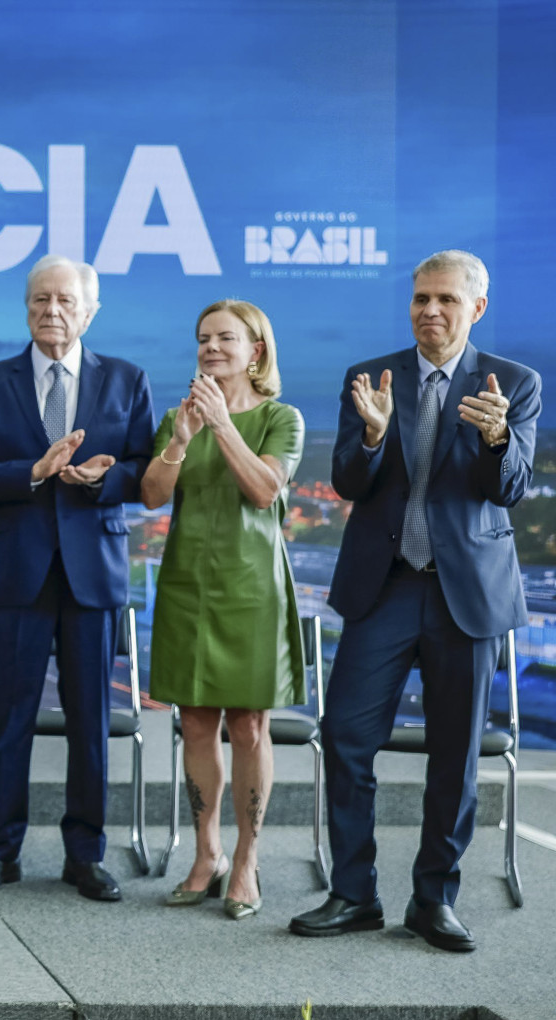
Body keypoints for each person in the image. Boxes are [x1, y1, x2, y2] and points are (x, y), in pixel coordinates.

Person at [291, 250, 540, 952]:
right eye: (420, 298)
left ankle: (434, 898)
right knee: (344, 734)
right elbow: (346, 481)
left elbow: (510, 487)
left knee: (455, 754)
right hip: (387, 585)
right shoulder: (369, 378)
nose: (430, 310)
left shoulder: (514, 384)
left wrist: (495, 438)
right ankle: (353, 892)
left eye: (446, 301)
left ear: (476, 309)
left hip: (468, 594)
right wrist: (372, 434)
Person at [0, 254, 154, 902]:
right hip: (16, 574)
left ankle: (85, 853)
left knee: (92, 721)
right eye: (40, 299)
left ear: (90, 310)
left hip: (93, 573)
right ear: (26, 306)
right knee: (8, 716)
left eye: (65, 300)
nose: (51, 311)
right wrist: (33, 471)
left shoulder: (126, 379)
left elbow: (145, 472)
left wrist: (102, 479)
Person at [142, 300, 305, 920]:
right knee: (197, 724)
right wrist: (183, 439)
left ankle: (246, 860)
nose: (211, 347)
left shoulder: (280, 418)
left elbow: (264, 490)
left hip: (251, 587)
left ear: (256, 349)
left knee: (250, 727)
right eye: (204, 338)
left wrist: (222, 425)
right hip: (187, 584)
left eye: (226, 338)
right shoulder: (175, 416)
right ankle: (206, 853)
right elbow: (153, 495)